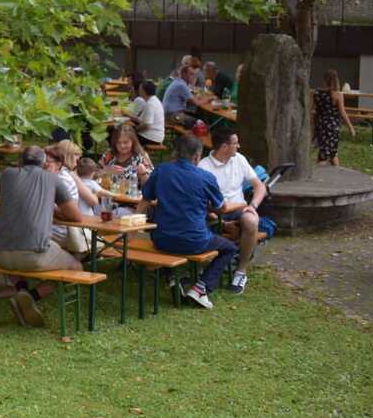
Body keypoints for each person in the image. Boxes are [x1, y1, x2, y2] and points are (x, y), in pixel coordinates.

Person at [0, 145, 86, 326]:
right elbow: (76, 216)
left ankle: (21, 291)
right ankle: (32, 297)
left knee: (18, 255)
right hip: (33, 255)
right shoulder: (52, 179)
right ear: (43, 163)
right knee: (76, 266)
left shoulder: (7, 175)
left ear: (20, 160)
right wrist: (51, 207)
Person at [138, 133, 237, 309]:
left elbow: (145, 199)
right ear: (197, 156)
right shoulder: (206, 177)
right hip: (195, 240)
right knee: (229, 248)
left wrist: (134, 229)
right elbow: (221, 208)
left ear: (176, 152)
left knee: (169, 240)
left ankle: (172, 278)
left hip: (161, 239)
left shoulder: (161, 170)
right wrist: (206, 205)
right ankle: (201, 288)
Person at [197, 127, 267, 292]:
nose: (239, 146)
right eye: (235, 143)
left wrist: (252, 206)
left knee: (251, 220)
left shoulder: (239, 159)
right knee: (200, 222)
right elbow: (200, 202)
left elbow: (260, 186)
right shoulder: (203, 166)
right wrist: (220, 222)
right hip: (213, 213)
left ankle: (241, 272)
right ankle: (201, 271)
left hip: (238, 209)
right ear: (224, 147)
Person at [313, 69, 357, 166]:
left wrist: (312, 126)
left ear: (324, 80)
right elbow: (342, 112)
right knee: (329, 154)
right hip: (332, 127)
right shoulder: (338, 95)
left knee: (328, 153)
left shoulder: (316, 93)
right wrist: (350, 127)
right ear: (336, 80)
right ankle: (326, 172)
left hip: (320, 126)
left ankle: (332, 172)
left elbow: (312, 111)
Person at [100, 122, 154, 188]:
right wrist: (106, 171)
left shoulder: (141, 156)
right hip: (108, 192)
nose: (122, 146)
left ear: (133, 142)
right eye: (118, 142)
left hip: (133, 193)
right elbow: (92, 175)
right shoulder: (109, 155)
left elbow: (151, 186)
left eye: (125, 142)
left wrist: (143, 173)